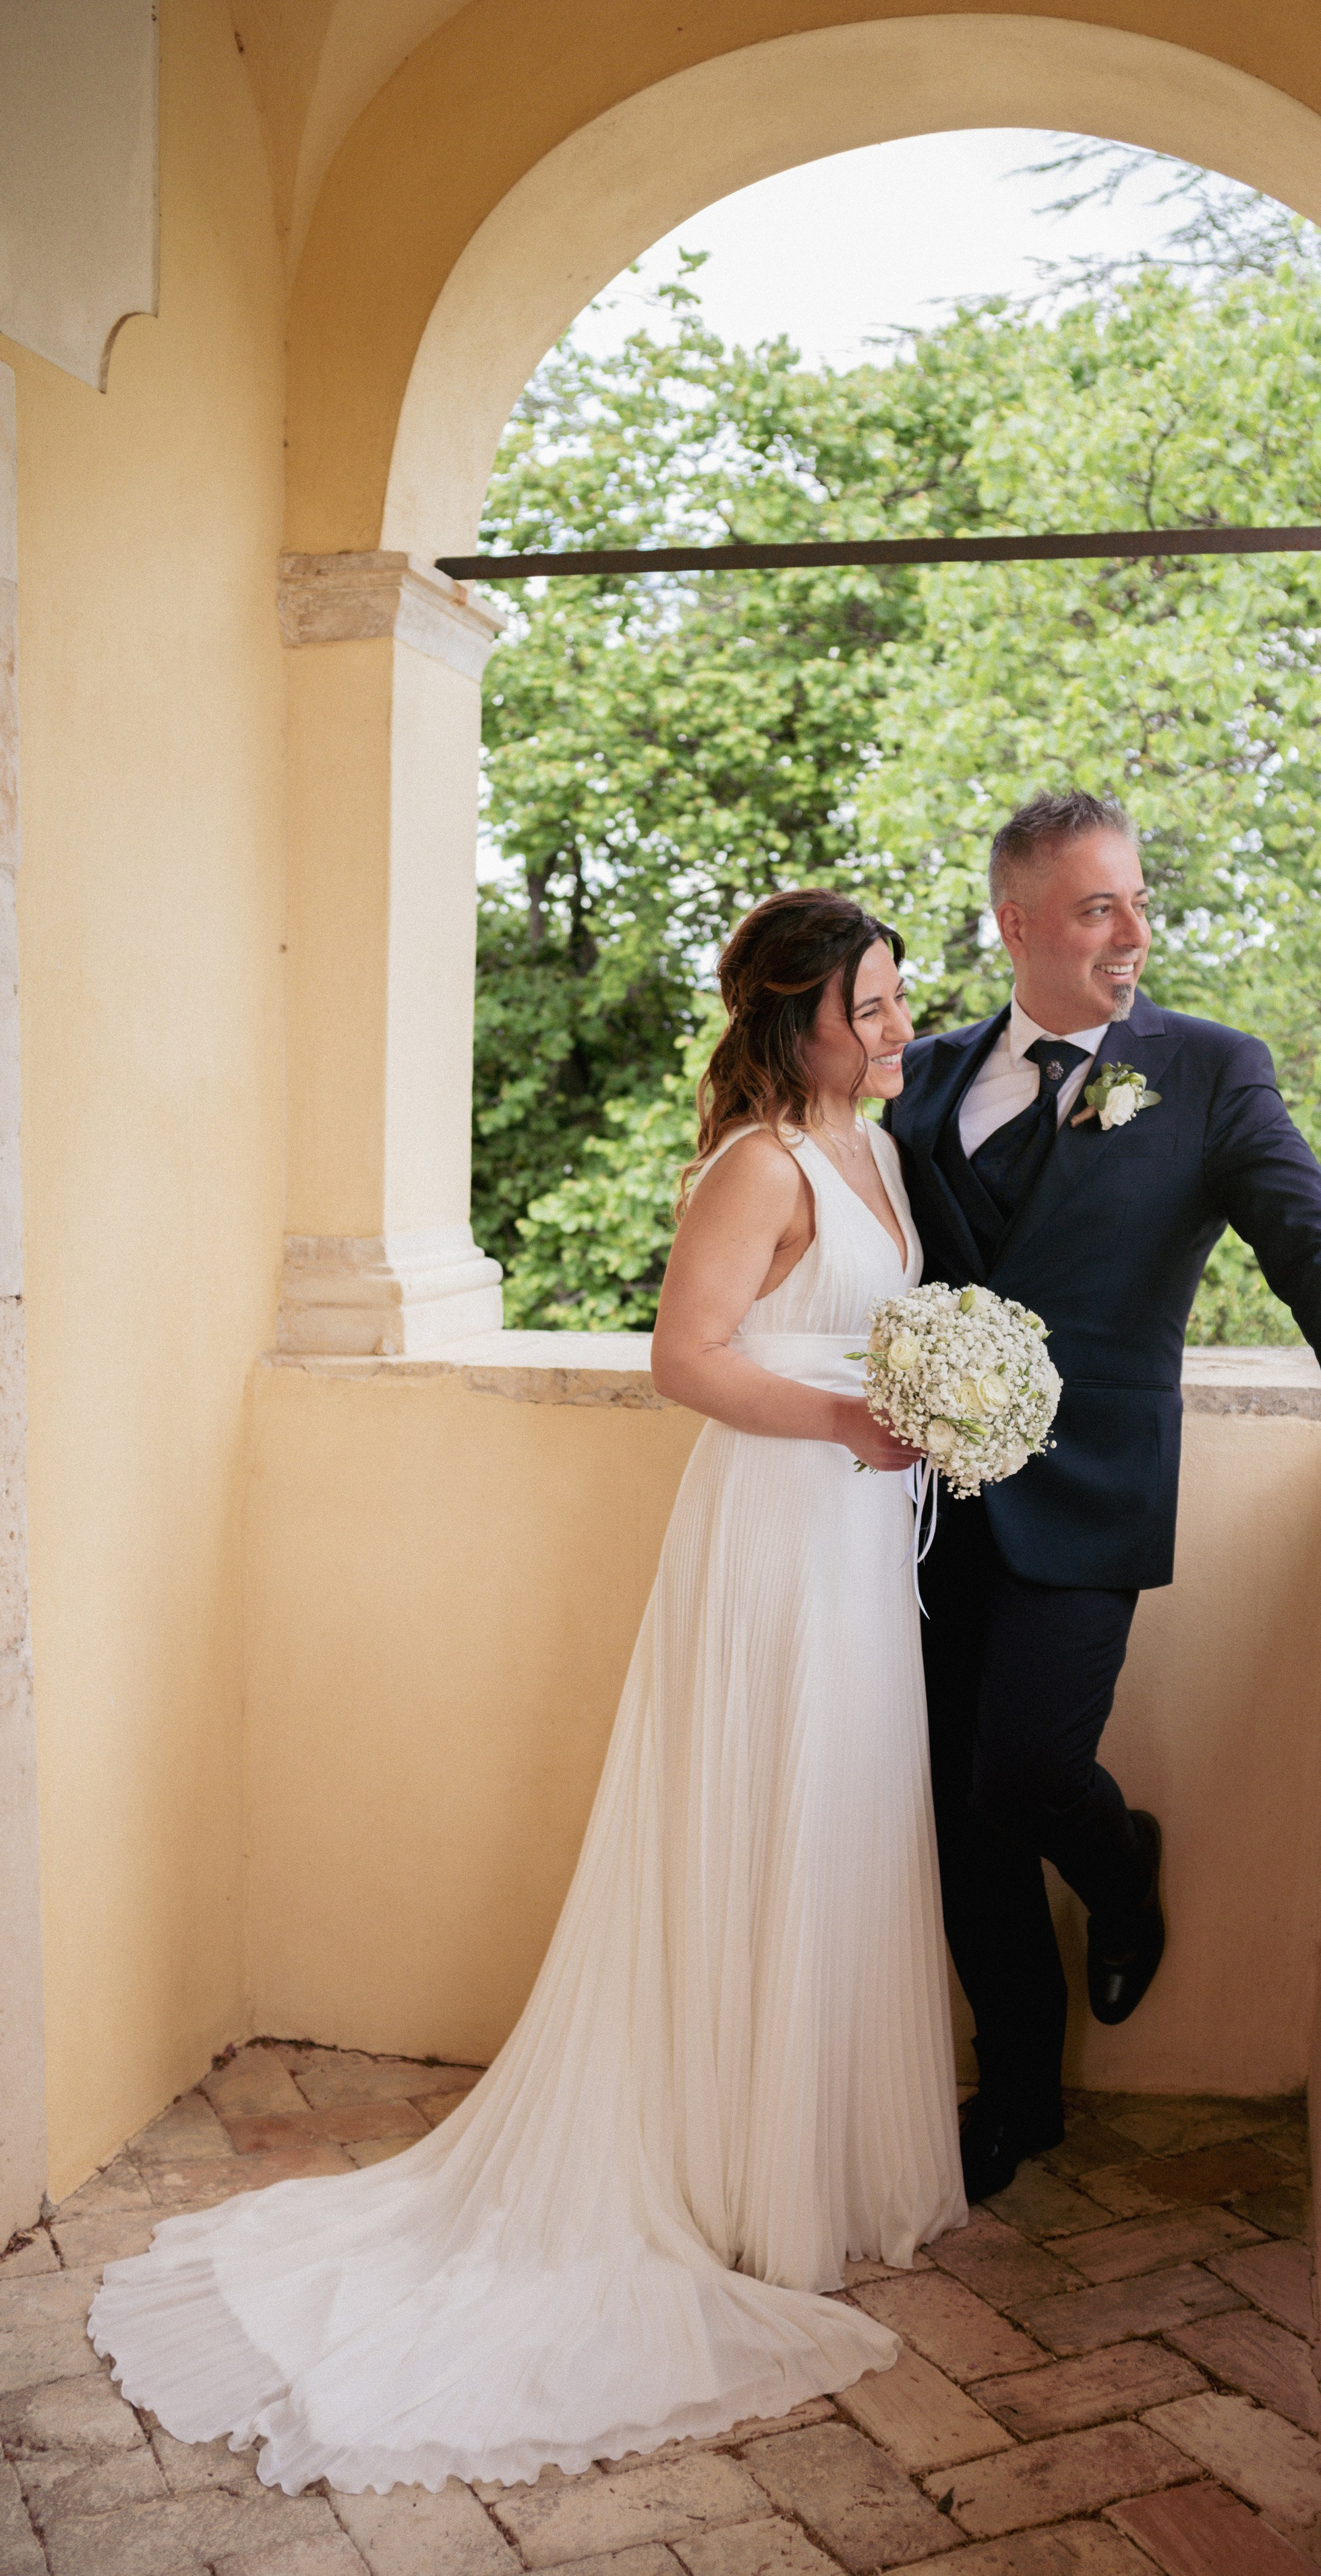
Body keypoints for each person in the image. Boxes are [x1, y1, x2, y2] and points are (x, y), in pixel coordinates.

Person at [89, 888, 965, 2496]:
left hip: (852, 1543)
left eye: (901, 998)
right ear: (799, 1019)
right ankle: (716, 2173)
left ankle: (807, 2168)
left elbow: (859, 1337)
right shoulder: (759, 1162)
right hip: (773, 1531)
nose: (900, 1023)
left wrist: (928, 1405)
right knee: (754, 1816)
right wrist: (846, 1428)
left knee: (833, 1820)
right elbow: (684, 1356)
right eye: (875, 1003)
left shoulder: (880, 1155)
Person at [882, 789, 1321, 2202]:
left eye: (1137, 901)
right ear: (1016, 921)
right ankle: (1018, 2093)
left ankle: (1120, 1863)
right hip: (920, 1503)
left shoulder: (1208, 1070)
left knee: (1026, 1765)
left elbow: (1314, 1243)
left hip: (1090, 1487)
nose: (1132, 934)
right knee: (957, 1813)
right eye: (1097, 907)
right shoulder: (918, 1078)